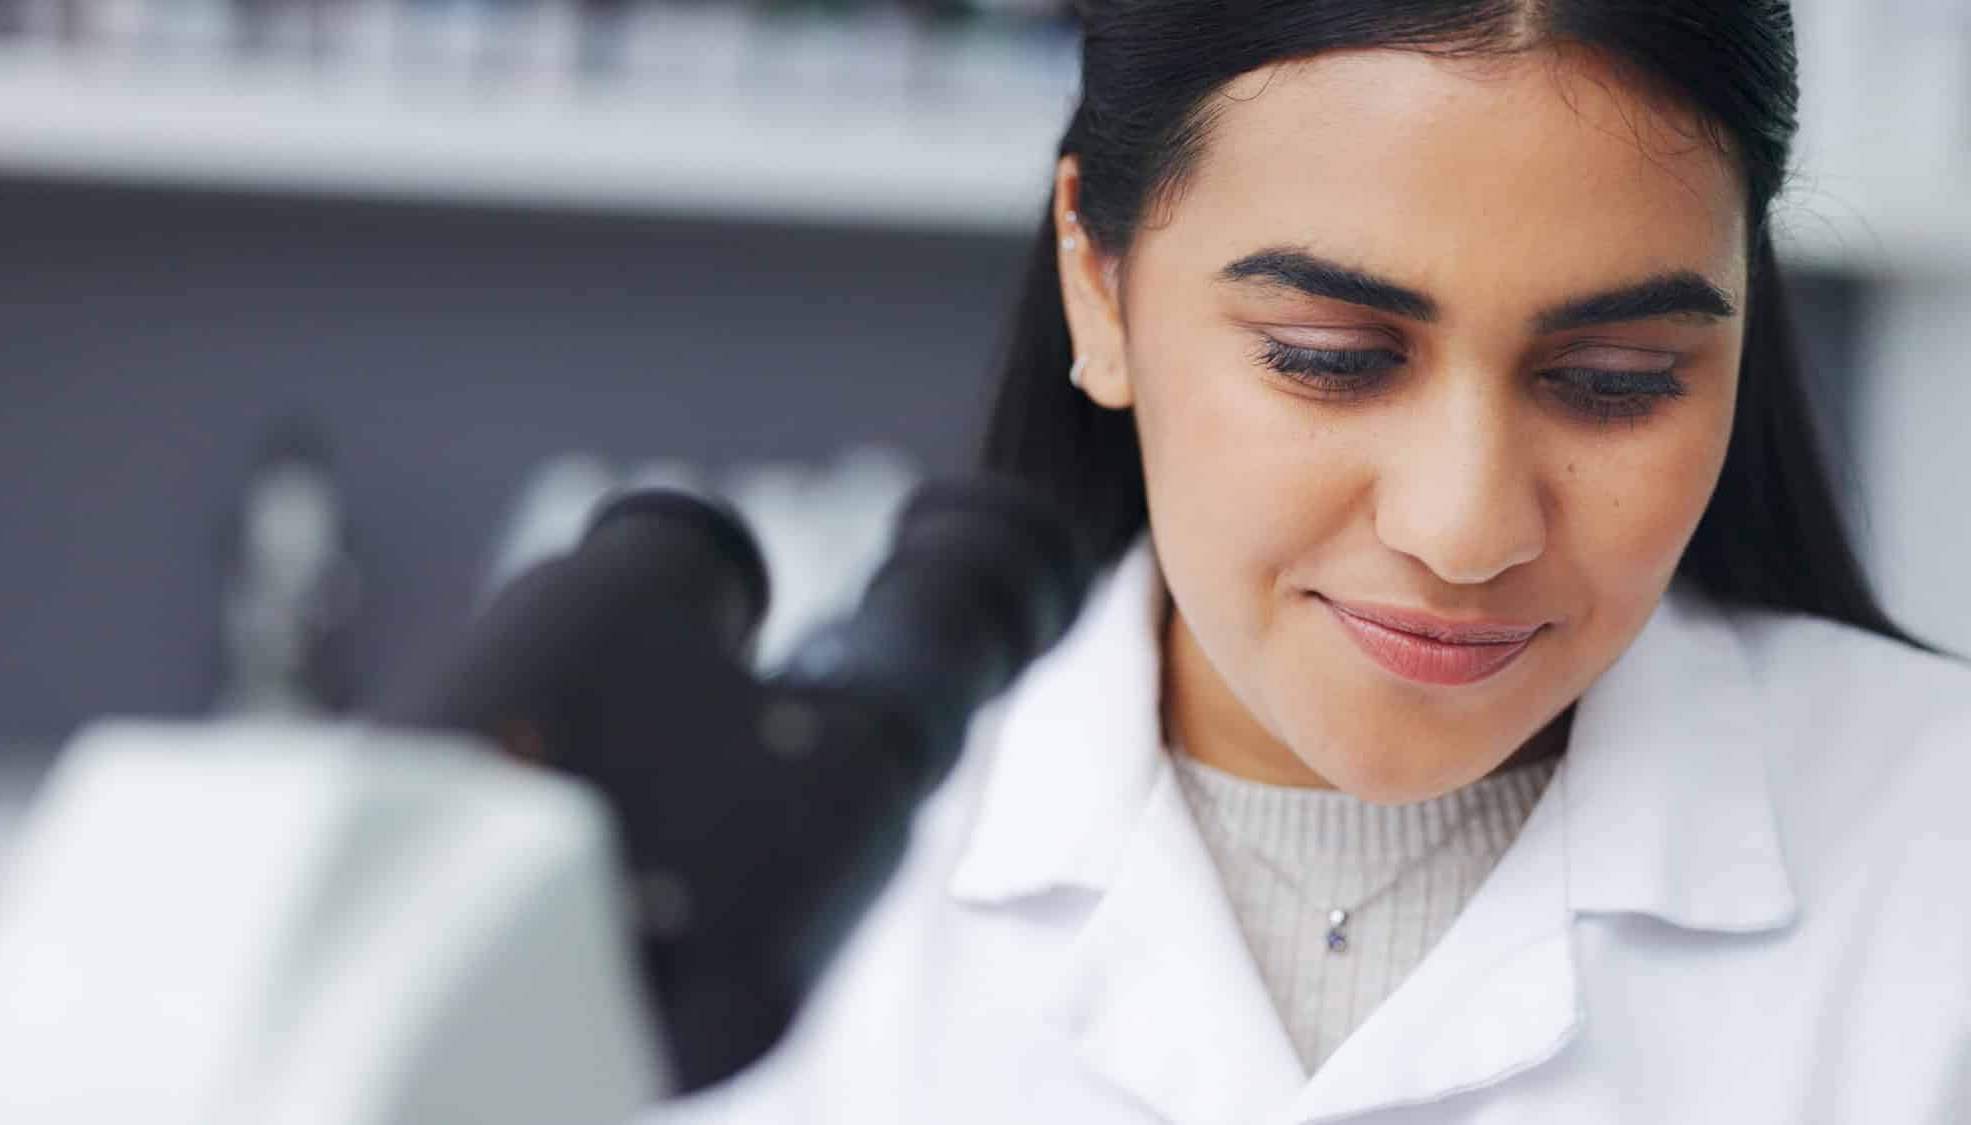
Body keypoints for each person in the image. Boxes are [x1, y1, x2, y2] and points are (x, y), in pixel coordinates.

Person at [660, 3, 1971, 1121]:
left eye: (1614, 383)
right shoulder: (743, 869)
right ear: (1098, 285)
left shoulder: (1933, 854)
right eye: (1329, 359)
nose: (1464, 529)